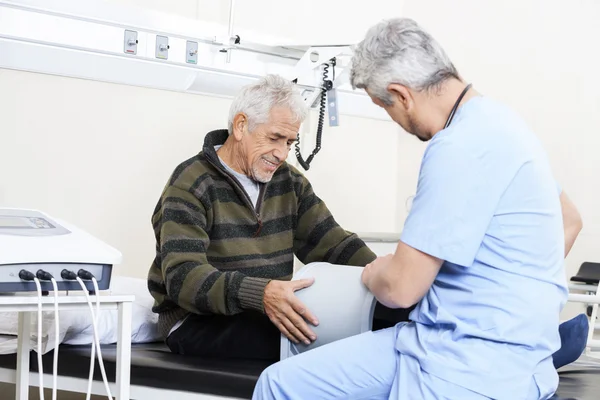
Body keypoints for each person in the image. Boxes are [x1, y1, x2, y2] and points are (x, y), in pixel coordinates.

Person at [252, 18, 585, 400]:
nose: (395, 121)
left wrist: (375, 273)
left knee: (277, 385)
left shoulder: (455, 148)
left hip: (458, 366)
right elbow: (570, 222)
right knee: (294, 377)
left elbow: (399, 288)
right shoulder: (506, 124)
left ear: (401, 95)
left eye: (385, 108)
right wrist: (512, 300)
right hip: (521, 357)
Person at [147, 74, 412, 361]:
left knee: (393, 318)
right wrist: (259, 294)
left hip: (267, 309)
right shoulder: (191, 182)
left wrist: (389, 280)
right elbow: (183, 277)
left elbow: (334, 244)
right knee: (316, 339)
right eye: (275, 138)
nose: (281, 153)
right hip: (195, 320)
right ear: (241, 126)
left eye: (289, 142)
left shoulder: (289, 182)